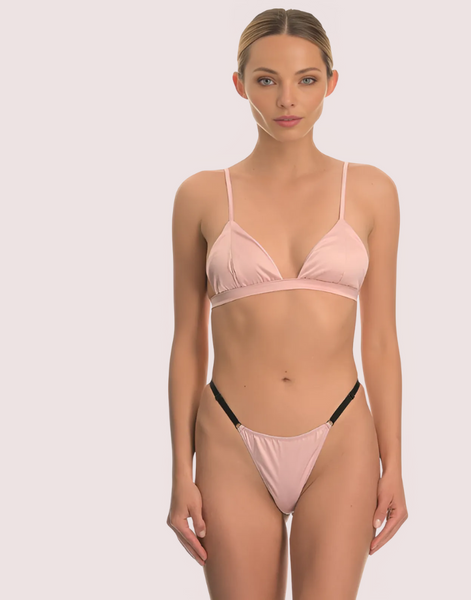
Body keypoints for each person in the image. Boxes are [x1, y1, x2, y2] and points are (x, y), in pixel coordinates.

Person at [166, 8, 407, 599]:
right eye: (267, 80)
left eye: (306, 79)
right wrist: (179, 471)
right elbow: (187, 341)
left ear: (331, 82)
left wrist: (395, 463)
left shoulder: (371, 190)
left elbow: (380, 340)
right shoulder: (201, 195)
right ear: (239, 84)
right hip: (229, 438)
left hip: (341, 437)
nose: (287, 100)